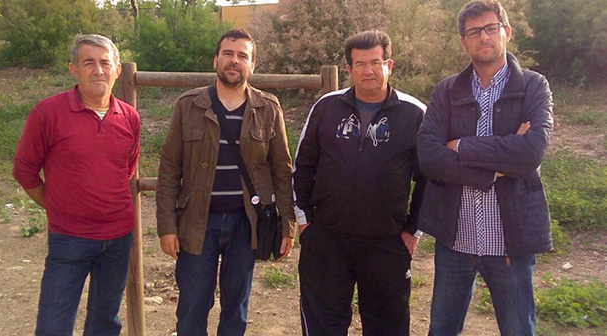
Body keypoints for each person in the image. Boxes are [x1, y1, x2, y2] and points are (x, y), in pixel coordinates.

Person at [417, 1, 554, 335]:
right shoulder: (446, 91)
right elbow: (429, 155)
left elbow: (530, 153)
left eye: (491, 28)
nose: (484, 37)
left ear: (506, 32)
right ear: (463, 41)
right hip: (455, 242)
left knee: (518, 329)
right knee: (441, 330)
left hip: (509, 242)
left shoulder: (534, 86)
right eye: (474, 32)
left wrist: (461, 145)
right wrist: (492, 170)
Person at [155, 28, 296, 336]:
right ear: (216, 59)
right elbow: (169, 170)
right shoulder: (188, 105)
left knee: (236, 309)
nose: (235, 61)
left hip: (247, 225)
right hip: (196, 223)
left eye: (242, 56)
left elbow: (282, 171)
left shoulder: (268, 108)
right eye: (228, 54)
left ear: (253, 64)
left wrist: (288, 225)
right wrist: (166, 226)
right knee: (192, 307)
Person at [293, 30, 426, 336]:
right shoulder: (326, 108)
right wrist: (305, 223)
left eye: (376, 62)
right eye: (360, 64)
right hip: (326, 240)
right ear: (349, 70)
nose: (369, 70)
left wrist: (412, 231)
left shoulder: (414, 113)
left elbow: (428, 178)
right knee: (323, 325)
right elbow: (302, 166)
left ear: (389, 66)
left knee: (388, 327)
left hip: (387, 243)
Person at [13, 34, 140, 335]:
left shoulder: (130, 117)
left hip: (118, 237)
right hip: (69, 238)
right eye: (89, 63)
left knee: (105, 322)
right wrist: (55, 204)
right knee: (53, 324)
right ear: (74, 69)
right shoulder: (48, 113)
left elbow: (127, 168)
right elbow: (24, 170)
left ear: (117, 70)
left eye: (105, 63)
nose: (98, 70)